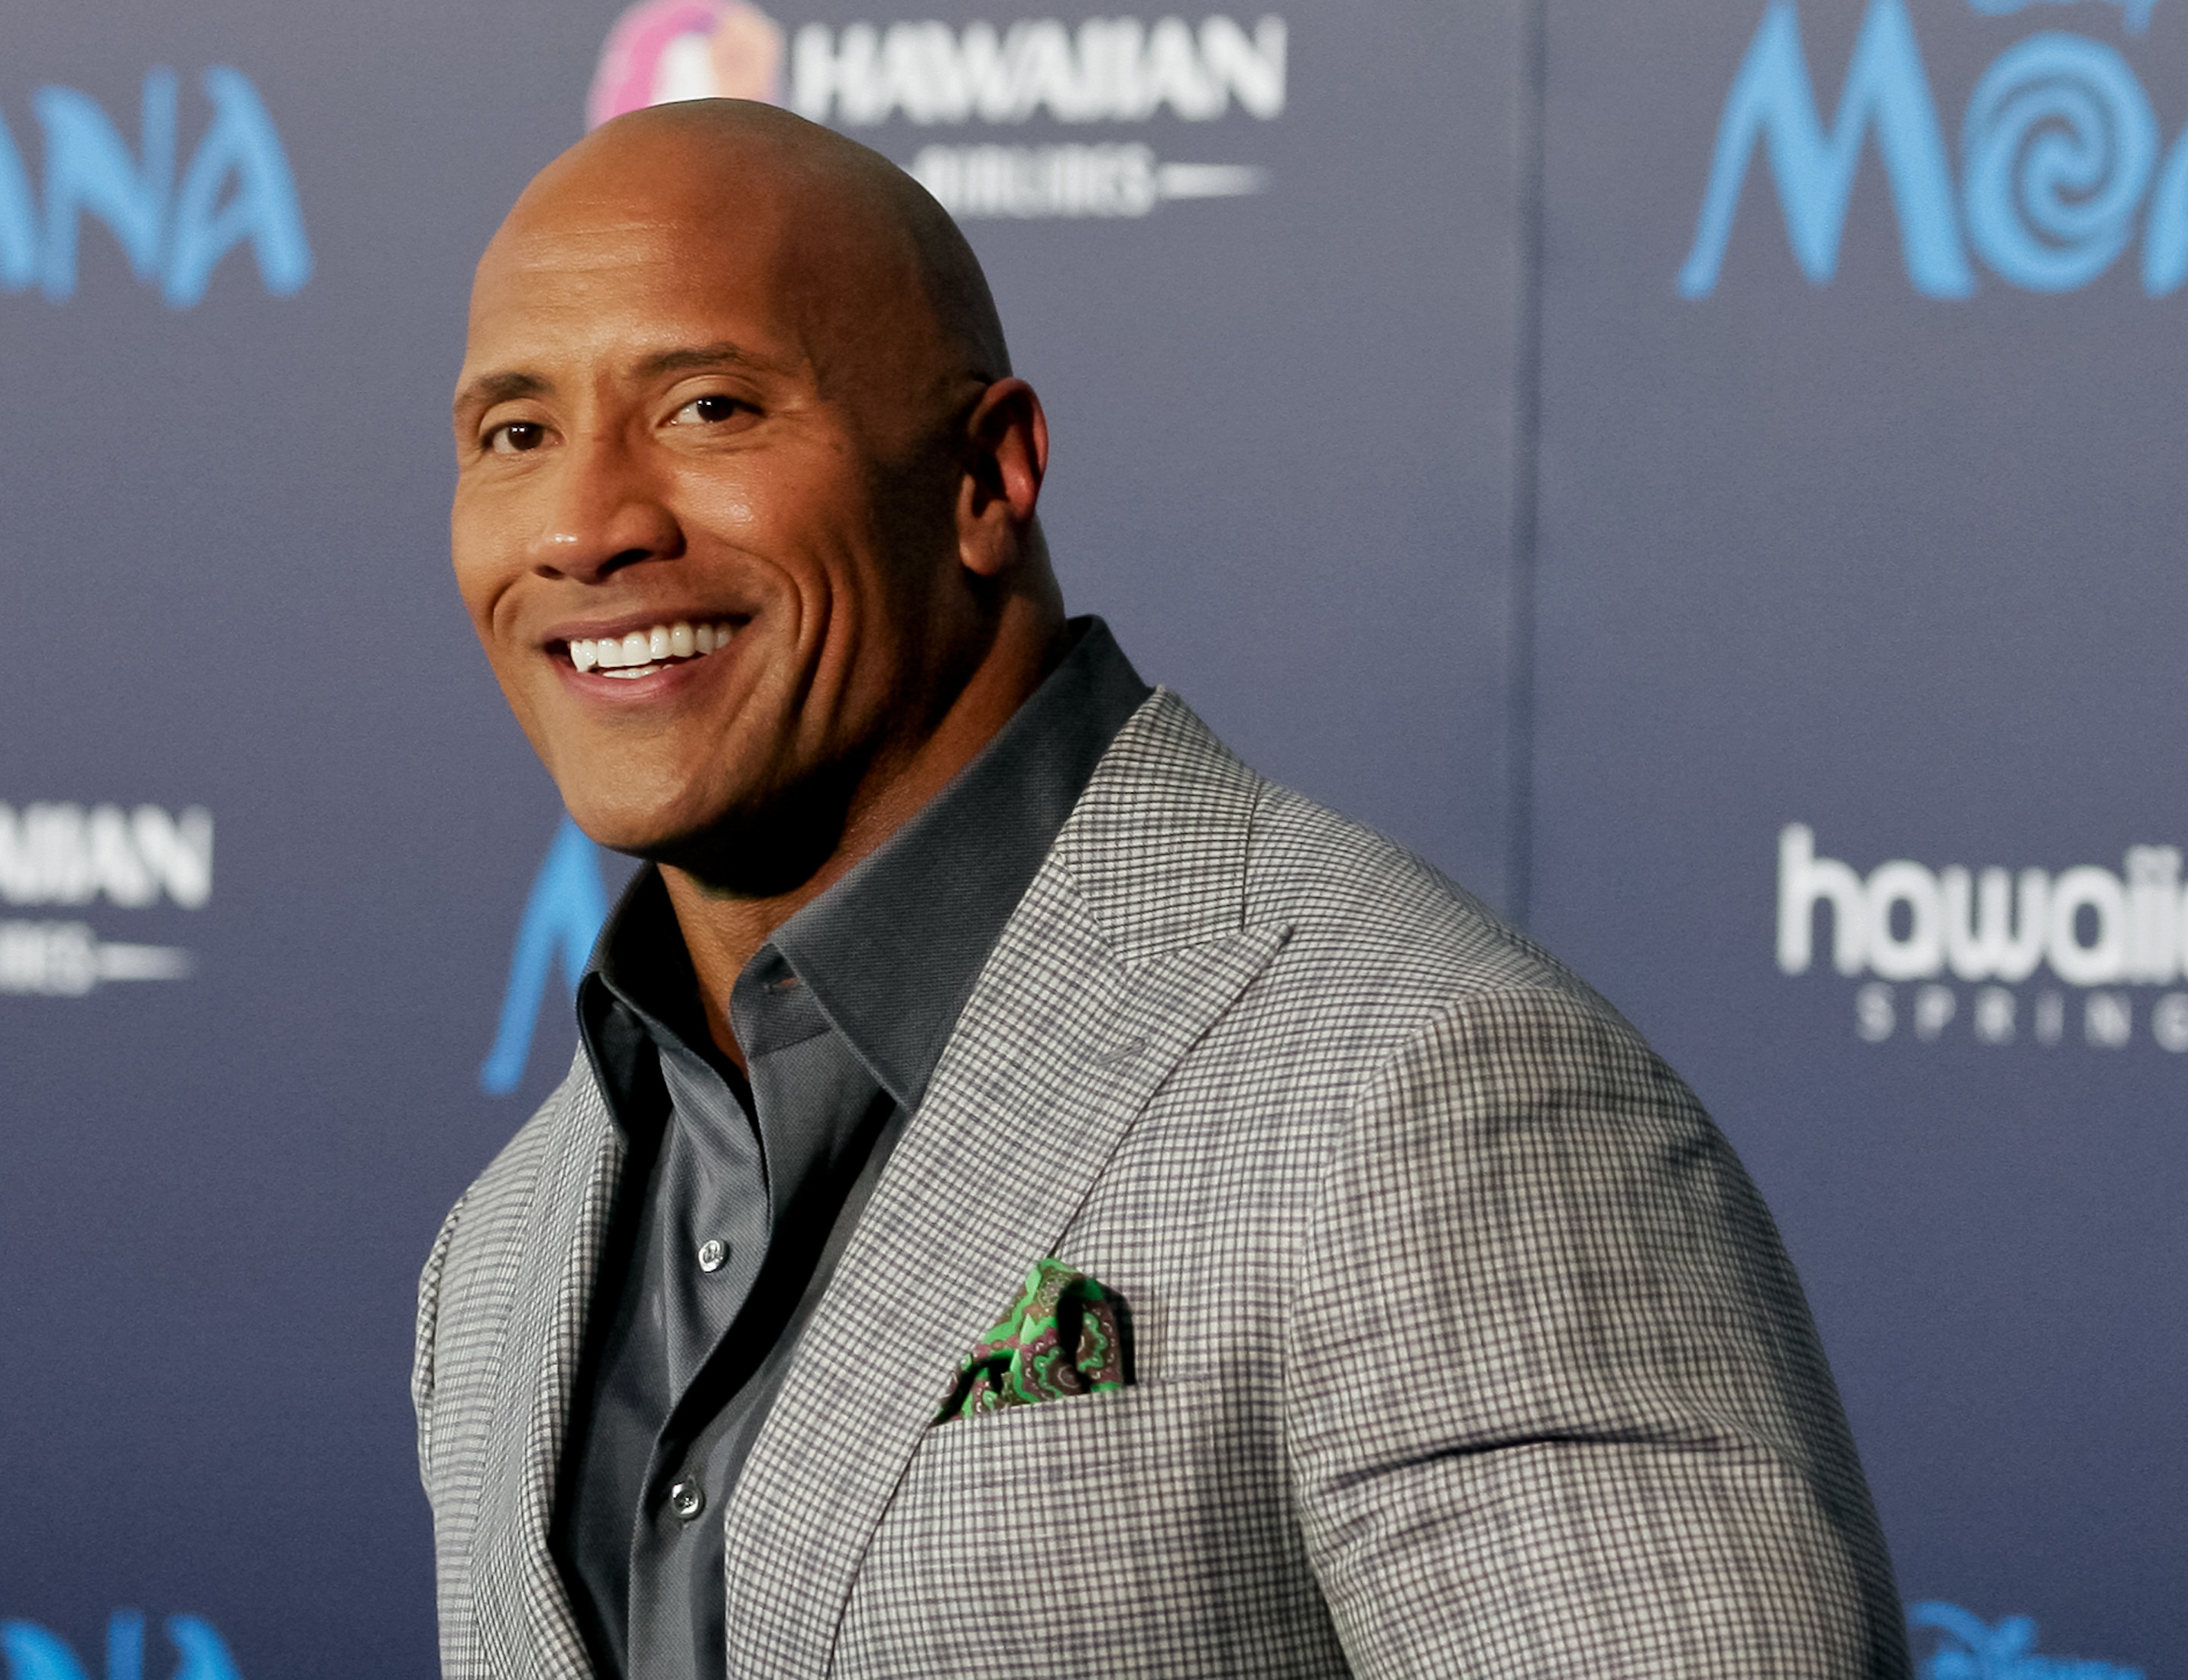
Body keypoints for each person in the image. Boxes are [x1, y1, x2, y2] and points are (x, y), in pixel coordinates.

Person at [415, 98, 1906, 1678]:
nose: (587, 525)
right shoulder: (507, 1245)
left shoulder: (1414, 1095)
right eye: (515, 435)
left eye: (711, 409)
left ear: (989, 474)